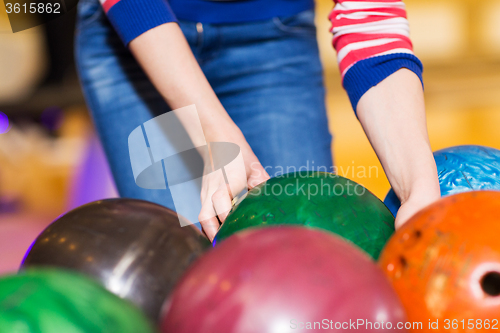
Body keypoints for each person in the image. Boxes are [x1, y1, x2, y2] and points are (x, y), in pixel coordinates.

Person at [75, 0, 440, 241]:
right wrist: (211, 130)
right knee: (178, 270)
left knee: (304, 248)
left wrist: (418, 185)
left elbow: (370, 19)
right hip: (137, 30)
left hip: (273, 37)